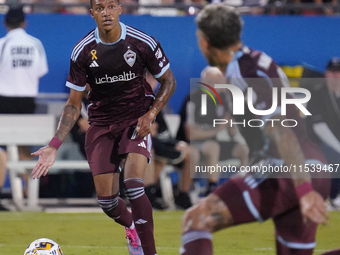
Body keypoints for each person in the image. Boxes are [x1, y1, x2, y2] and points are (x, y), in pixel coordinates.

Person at [180, 4, 330, 255]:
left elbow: (281, 130)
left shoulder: (245, 74)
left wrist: (303, 189)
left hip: (288, 170)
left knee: (197, 219)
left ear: (205, 43)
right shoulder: (253, 63)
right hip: (311, 166)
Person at [31, 0, 176, 255]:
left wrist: (151, 114)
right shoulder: (83, 51)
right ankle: (131, 227)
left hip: (135, 120)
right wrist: (54, 145)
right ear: (92, 14)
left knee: (133, 184)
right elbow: (73, 105)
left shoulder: (142, 42)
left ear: (120, 9)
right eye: (100, 8)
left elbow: (168, 81)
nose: (106, 12)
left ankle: (148, 252)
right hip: (101, 125)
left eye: (111, 6)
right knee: (108, 202)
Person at [177, 66, 249, 195]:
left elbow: (232, 133)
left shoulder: (224, 99)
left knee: (244, 149)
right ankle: (212, 188)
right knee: (213, 146)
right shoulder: (193, 99)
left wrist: (231, 125)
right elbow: (190, 134)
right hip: (190, 145)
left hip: (213, 144)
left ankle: (242, 189)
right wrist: (219, 128)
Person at [0, 6, 49, 161]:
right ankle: (27, 185)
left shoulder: (2, 44)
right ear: (24, 23)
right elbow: (40, 74)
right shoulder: (36, 44)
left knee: (4, 148)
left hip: (4, 100)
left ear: (4, 23)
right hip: (27, 102)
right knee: (23, 146)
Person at [306, 57, 340, 209]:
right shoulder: (317, 94)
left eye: (339, 73)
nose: (336, 76)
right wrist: (338, 147)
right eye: (333, 72)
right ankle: (333, 196)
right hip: (318, 143)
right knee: (332, 157)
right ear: (326, 74)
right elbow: (319, 128)